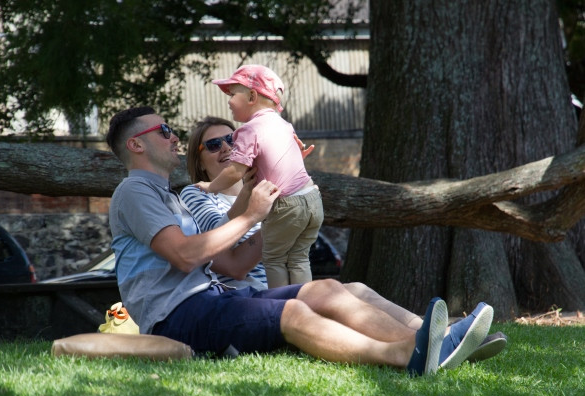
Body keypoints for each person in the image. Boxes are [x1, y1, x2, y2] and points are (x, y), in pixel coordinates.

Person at [106, 106, 496, 376]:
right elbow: (183, 255)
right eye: (163, 131)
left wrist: (264, 190)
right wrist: (252, 217)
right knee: (293, 314)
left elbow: (222, 261)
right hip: (176, 318)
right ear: (136, 145)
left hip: (214, 298)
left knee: (324, 289)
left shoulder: (167, 196)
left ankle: (436, 342)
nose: (173, 136)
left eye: (171, 128)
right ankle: (404, 354)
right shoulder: (135, 192)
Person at [194, 64, 324, 288]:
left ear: (252, 96)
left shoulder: (249, 130)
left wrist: (210, 186)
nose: (228, 101)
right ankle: (306, 303)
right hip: (312, 198)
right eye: (214, 145)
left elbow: (235, 172)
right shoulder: (284, 125)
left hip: (286, 204)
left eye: (233, 94)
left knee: (274, 259)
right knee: (298, 258)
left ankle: (282, 307)